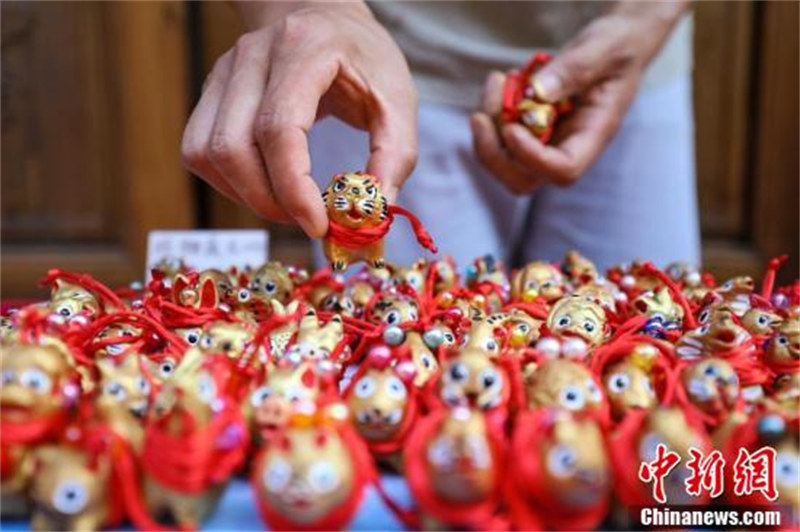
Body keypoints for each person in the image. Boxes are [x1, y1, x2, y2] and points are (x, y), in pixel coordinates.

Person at [181, 0, 699, 271]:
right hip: (376, 69)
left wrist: (650, 13)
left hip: (631, 48)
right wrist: (298, 6)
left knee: (651, 374)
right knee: (406, 361)